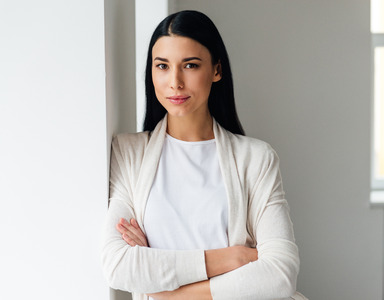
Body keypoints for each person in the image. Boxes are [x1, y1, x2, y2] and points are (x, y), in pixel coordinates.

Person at [101, 10, 305, 300]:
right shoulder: (129, 153)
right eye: (162, 66)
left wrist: (169, 294)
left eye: (190, 65)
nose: (175, 82)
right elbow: (118, 266)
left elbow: (281, 275)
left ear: (217, 70)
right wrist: (232, 258)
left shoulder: (257, 159)